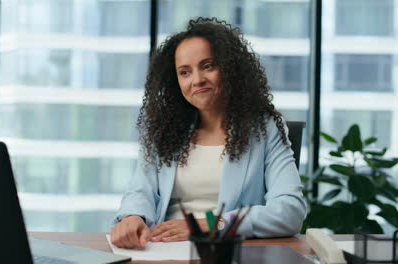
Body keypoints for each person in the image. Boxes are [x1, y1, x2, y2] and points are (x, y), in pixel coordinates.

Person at [110, 17, 306, 249]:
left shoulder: (265, 129)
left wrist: (211, 224)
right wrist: (133, 216)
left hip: (228, 252)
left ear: (230, 69)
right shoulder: (163, 130)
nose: (197, 80)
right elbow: (141, 190)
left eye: (207, 66)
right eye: (185, 72)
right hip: (163, 249)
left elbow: (290, 211)